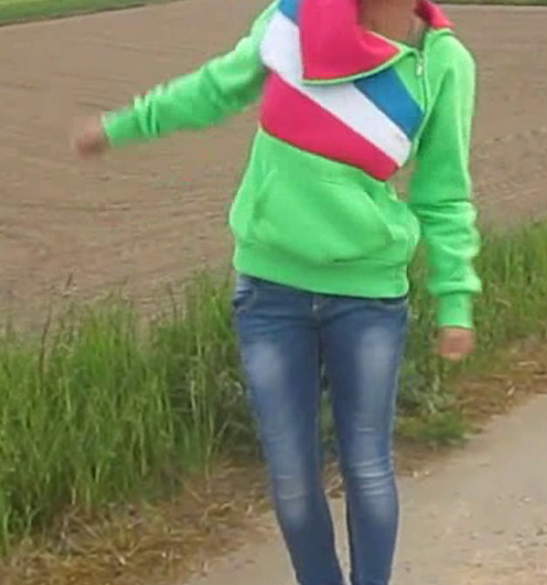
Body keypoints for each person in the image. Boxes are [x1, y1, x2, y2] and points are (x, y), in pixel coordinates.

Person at [71, 0, 481, 583]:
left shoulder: (442, 63)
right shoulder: (295, 19)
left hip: (368, 297)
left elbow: (444, 195)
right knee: (291, 480)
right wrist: (124, 125)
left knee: (367, 468)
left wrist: (455, 300)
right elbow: (214, 89)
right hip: (270, 293)